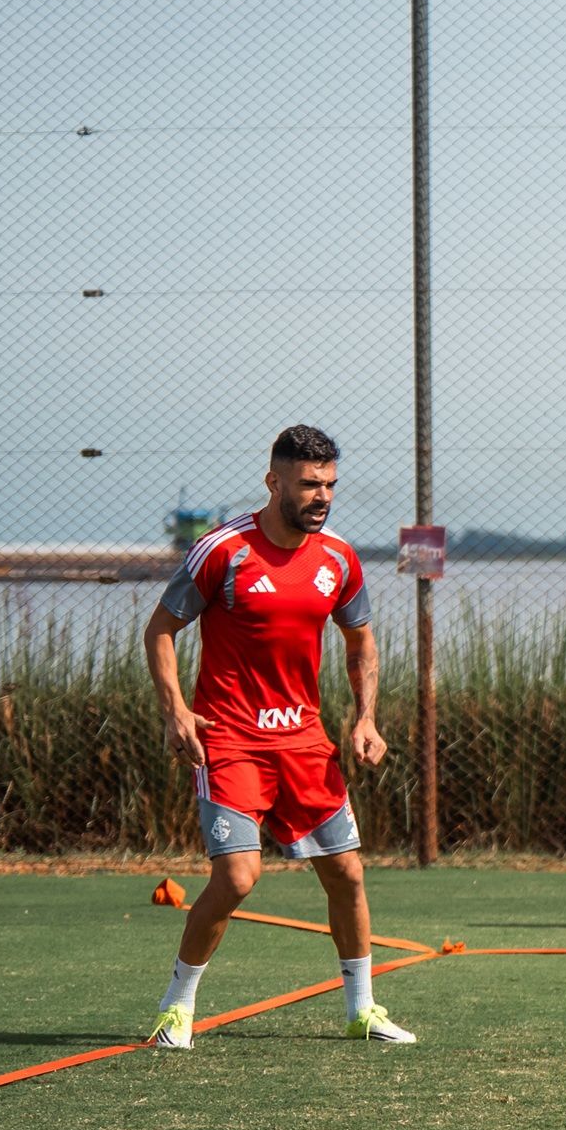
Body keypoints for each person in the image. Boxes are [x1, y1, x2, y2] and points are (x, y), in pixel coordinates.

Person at [144, 425, 405, 1048]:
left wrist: (366, 717)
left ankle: (362, 1009)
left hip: (305, 742)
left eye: (330, 484)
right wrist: (176, 710)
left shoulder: (338, 558)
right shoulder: (222, 550)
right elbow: (160, 630)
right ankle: (176, 1008)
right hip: (230, 739)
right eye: (309, 484)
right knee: (238, 877)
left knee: (347, 874)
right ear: (274, 482)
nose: (323, 496)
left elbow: (361, 641)